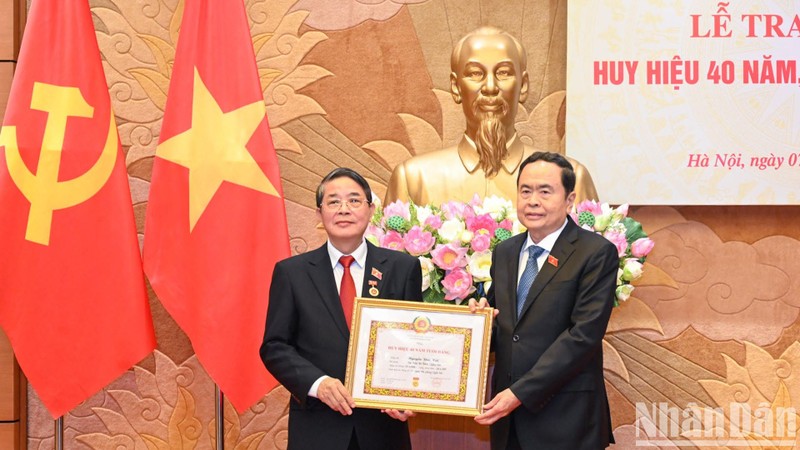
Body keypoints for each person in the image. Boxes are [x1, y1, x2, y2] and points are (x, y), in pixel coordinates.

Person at [260, 168, 422, 450]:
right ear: (319, 214)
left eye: (354, 201)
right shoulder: (292, 273)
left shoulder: (402, 268)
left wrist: (406, 395)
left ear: (371, 210)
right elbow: (275, 346)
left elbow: (414, 343)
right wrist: (317, 383)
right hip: (318, 428)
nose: (344, 209)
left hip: (383, 429)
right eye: (333, 202)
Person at [470, 152, 617, 450]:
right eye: (525, 191)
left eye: (544, 191)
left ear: (569, 199)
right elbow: (509, 332)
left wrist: (519, 393)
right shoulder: (505, 252)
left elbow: (583, 336)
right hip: (508, 422)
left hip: (566, 419)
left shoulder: (595, 253)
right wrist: (481, 325)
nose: (532, 200)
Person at [384, 26, 597, 207]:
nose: (490, 87)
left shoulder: (572, 178)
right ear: (456, 87)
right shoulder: (413, 179)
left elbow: (590, 254)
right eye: (475, 74)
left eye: (503, 73)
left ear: (523, 86)